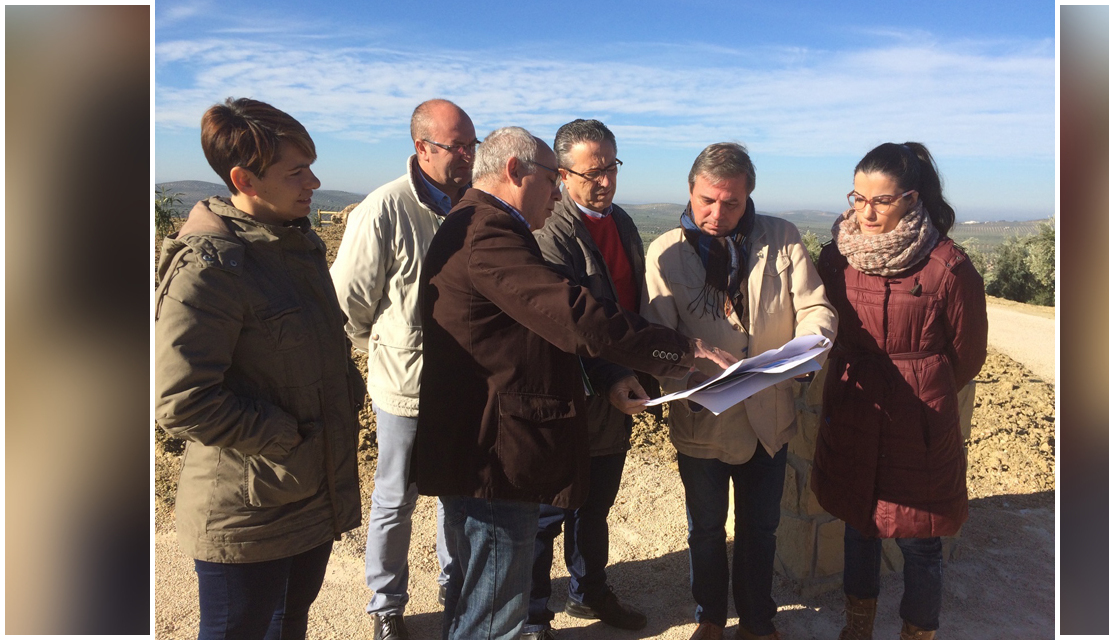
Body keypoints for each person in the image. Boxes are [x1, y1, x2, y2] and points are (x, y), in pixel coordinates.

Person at [412, 126, 736, 640]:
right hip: (494, 448)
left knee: (483, 598)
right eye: (551, 179)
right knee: (493, 611)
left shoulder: (481, 222)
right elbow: (573, 315)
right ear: (517, 172)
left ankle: (586, 593)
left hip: (495, 438)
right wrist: (681, 348)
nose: (558, 191)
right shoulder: (489, 232)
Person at [154, 98, 364, 640]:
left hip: (307, 492)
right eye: (297, 172)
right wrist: (282, 436)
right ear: (244, 178)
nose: (314, 182)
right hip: (246, 511)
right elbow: (181, 400)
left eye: (311, 167)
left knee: (288, 624)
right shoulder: (211, 266)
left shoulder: (297, 245)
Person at [642, 143, 838, 640]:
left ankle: (756, 619)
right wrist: (682, 375)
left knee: (760, 529)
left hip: (769, 416)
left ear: (749, 195)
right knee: (706, 531)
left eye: (731, 203)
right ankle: (709, 617)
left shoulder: (783, 237)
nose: (717, 214)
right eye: (707, 200)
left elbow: (815, 307)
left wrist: (809, 348)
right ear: (690, 190)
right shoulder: (665, 251)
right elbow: (655, 335)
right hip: (703, 417)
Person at [810, 142, 988, 640]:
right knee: (858, 525)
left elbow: (967, 355)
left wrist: (920, 388)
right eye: (858, 197)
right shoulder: (836, 258)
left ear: (911, 198)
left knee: (921, 540)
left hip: (919, 426)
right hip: (854, 411)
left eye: (881, 201)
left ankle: (918, 632)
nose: (865, 212)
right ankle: (856, 629)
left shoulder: (949, 267)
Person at [329, 98, 476, 640]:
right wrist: (393, 350)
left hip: (466, 386)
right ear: (422, 148)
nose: (466, 156)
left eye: (470, 144)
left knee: (456, 493)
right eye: (455, 146)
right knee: (394, 499)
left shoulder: (475, 204)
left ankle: (453, 588)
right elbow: (349, 306)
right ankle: (385, 606)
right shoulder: (383, 209)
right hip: (407, 388)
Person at [523, 119, 650, 639]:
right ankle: (531, 615)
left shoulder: (620, 222)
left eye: (611, 168)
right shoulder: (548, 231)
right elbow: (571, 323)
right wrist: (618, 374)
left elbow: (632, 304)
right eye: (592, 172)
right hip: (568, 396)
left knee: (595, 506)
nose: (605, 182)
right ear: (561, 172)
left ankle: (589, 593)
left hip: (616, 396)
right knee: (547, 515)